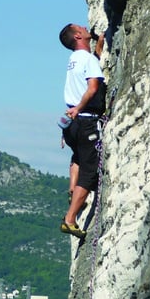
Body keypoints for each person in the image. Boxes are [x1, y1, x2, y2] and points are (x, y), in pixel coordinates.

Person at [58, 24, 105, 239]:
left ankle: (71, 191)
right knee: (90, 171)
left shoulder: (75, 60)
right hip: (85, 120)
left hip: (71, 123)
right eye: (81, 27)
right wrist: (80, 108)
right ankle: (70, 219)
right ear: (78, 35)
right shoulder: (87, 60)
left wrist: (99, 44)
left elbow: (91, 62)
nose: (86, 27)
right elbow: (93, 87)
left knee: (77, 155)